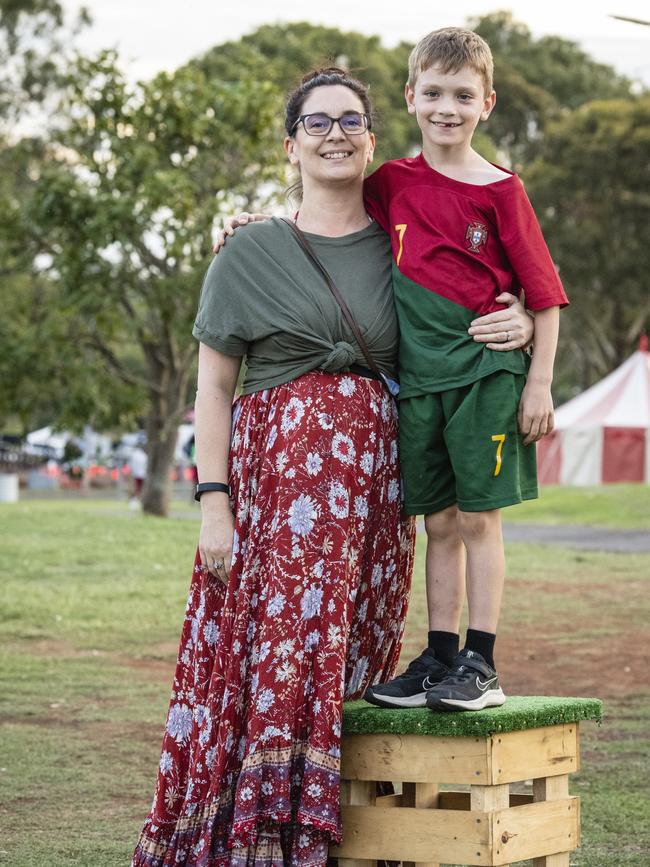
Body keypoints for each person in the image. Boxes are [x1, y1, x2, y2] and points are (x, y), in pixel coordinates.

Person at [132, 69, 534, 867]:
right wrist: (214, 502)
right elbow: (214, 387)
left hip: (376, 507)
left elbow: (494, 279)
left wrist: (520, 314)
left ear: (375, 140)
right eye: (316, 124)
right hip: (275, 501)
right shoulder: (249, 248)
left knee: (353, 666)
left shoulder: (405, 244)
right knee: (269, 663)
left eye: (352, 120)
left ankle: (334, 839)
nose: (336, 134)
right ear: (291, 145)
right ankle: (252, 840)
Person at [363, 27, 568, 712]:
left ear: (487, 103)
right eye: (433, 93)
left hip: (487, 376)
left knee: (479, 520)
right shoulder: (389, 183)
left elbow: (544, 295)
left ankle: (482, 660)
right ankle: (439, 656)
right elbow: (325, 218)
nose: (446, 107)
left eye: (461, 95)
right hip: (420, 384)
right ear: (410, 96)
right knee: (438, 523)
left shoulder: (502, 190)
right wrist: (250, 225)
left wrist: (538, 379)